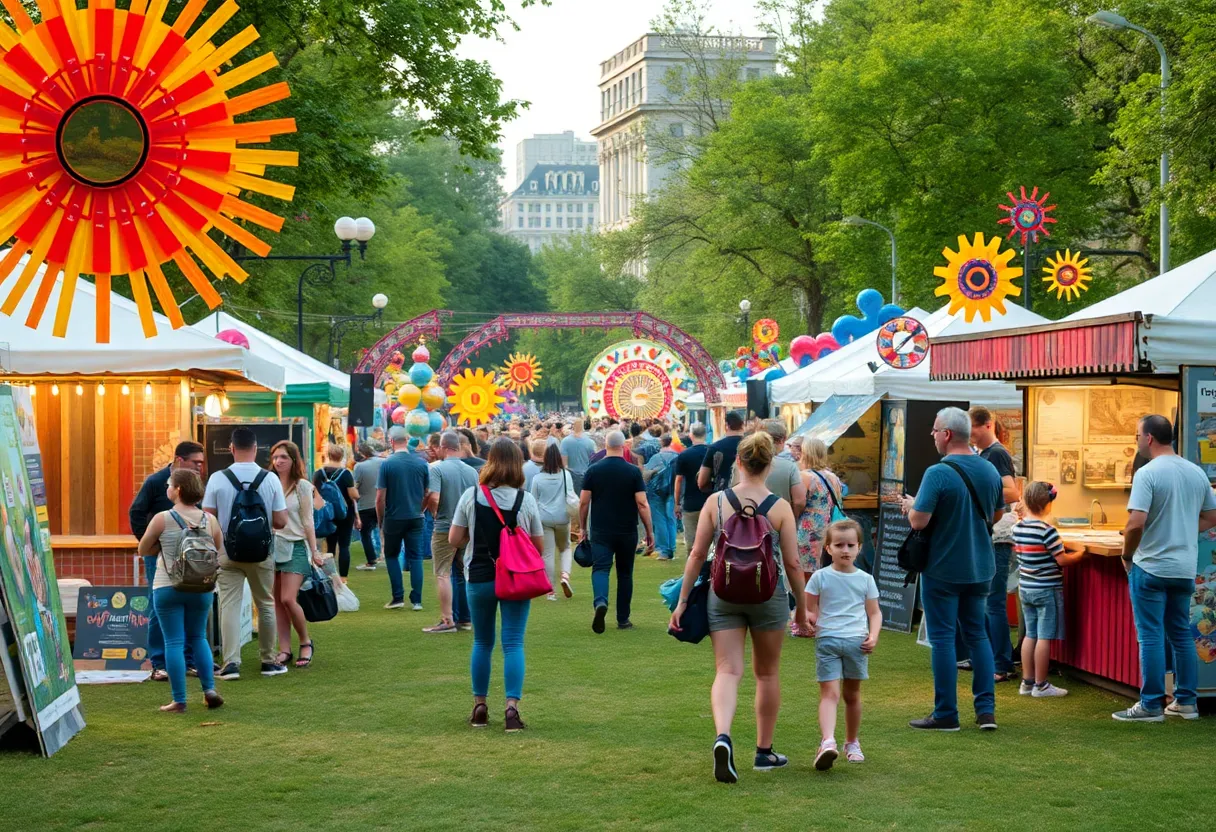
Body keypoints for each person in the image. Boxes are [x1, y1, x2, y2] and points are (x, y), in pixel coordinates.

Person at [669, 432, 808, 783]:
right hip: (768, 595)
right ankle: (764, 751)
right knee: (767, 673)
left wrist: (683, 600)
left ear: (738, 462)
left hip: (723, 592)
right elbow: (792, 563)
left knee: (728, 671)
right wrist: (803, 610)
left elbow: (697, 554)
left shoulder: (715, 502)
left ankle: (723, 736)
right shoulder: (779, 507)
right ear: (770, 463)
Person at [900, 407, 1003, 731]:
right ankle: (986, 712)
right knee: (978, 636)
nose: (932, 436)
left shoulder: (938, 473)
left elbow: (919, 520)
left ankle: (946, 713)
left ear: (946, 434)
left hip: (943, 567)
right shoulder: (988, 469)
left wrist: (910, 506)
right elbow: (997, 515)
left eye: (934, 431)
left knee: (943, 639)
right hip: (981, 566)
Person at [1114, 414, 1216, 722]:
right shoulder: (1195, 472)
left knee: (1150, 635)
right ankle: (1186, 701)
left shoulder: (1147, 473)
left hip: (1151, 565)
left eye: (1136, 436)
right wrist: (1183, 530)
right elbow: (1212, 517)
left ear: (1148, 438)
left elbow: (1136, 522)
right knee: (1180, 634)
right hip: (1183, 567)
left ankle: (1151, 703)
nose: (1136, 441)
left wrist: (1127, 554)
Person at [449, 438, 545, 731]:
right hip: (515, 577)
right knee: (513, 642)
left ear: (489, 461)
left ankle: (480, 706)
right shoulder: (524, 499)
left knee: (482, 641)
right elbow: (538, 545)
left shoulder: (471, 495)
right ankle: (511, 709)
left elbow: (454, 539)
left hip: (479, 575)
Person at [202, 427, 289, 680]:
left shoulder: (218, 478)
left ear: (231, 448)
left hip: (227, 551)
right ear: (256, 448)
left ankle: (231, 664)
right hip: (262, 552)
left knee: (229, 604)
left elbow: (208, 517)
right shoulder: (270, 479)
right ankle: (268, 660)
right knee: (266, 603)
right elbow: (281, 521)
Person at [137, 468, 224, 712]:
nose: (167, 488)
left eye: (169, 485)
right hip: (202, 587)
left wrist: (163, 549)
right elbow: (219, 550)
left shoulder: (162, 518)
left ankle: (179, 700)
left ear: (178, 490)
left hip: (168, 586)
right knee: (198, 638)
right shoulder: (210, 520)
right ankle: (209, 690)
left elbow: (143, 549)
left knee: (173, 641)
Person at [805, 520, 881, 769]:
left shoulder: (866, 579)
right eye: (839, 545)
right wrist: (809, 619)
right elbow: (810, 609)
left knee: (852, 695)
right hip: (827, 641)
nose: (845, 550)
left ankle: (852, 742)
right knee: (830, 693)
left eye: (850, 545)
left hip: (857, 643)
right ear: (828, 548)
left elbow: (874, 613)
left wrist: (874, 635)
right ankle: (828, 741)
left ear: (859, 547)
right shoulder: (819, 577)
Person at [129, 440, 205, 682]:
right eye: (196, 462)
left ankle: (190, 661)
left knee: (191, 605)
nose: (200, 468)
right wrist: (150, 545)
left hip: (191, 558)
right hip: (160, 559)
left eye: (202, 463)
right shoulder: (155, 482)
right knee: (158, 607)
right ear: (179, 460)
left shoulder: (196, 484)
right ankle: (159, 664)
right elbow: (136, 512)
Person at [1012, 481, 1085, 698]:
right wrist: (1080, 554)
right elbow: (1062, 560)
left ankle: (1027, 682)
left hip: (1026, 587)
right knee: (1044, 636)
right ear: (1048, 505)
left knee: (1030, 635)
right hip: (1046, 589)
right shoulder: (1048, 531)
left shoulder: (1018, 528)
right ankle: (1041, 685)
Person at [580, 430, 654, 633]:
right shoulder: (632, 471)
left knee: (601, 568)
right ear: (624, 446)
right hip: (627, 530)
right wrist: (649, 531)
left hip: (601, 530)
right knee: (625, 574)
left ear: (605, 444)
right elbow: (642, 503)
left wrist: (582, 528)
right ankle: (623, 618)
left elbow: (584, 502)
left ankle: (600, 601)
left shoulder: (594, 470)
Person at [969, 406, 1020, 682]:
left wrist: (980, 485)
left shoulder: (997, 453)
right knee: (988, 601)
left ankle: (1002, 664)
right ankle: (991, 658)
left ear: (987, 425)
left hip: (999, 535)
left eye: (973, 429)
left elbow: (1012, 491)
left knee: (994, 602)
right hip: (991, 533)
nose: (970, 435)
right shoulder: (985, 454)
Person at [269, 441, 324, 668]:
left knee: (288, 598)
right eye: (275, 457)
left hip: (296, 546)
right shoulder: (269, 483)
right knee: (277, 602)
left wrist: (314, 551)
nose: (278, 461)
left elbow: (308, 521)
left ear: (294, 460)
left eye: (283, 457)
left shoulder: (303, 486)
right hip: (272, 547)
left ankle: (305, 641)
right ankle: (284, 648)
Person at [424, 431, 479, 633]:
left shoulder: (437, 469)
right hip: (468, 528)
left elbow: (434, 496)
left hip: (446, 527)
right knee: (464, 572)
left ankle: (447, 620)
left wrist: (436, 513)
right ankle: (465, 618)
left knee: (442, 574)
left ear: (443, 447)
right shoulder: (471, 472)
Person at [377, 426, 430, 611]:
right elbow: (428, 492)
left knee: (392, 556)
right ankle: (417, 600)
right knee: (416, 557)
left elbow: (380, 497)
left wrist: (380, 519)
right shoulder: (421, 463)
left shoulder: (387, 463)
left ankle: (397, 597)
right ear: (406, 441)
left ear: (392, 442)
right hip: (415, 516)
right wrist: (420, 509)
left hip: (394, 516)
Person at [530, 443, 574, 599]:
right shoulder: (565, 475)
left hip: (544, 518)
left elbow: (533, 501)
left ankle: (550, 591)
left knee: (547, 554)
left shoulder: (537, 478)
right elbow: (570, 495)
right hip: (563, 516)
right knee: (565, 548)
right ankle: (565, 576)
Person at [797, 438, 843, 582]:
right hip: (829, 529)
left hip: (809, 531)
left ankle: (807, 603)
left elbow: (799, 503)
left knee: (807, 575)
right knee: (824, 571)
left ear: (805, 453)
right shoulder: (833, 477)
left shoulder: (805, 476)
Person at [313, 444, 359, 580]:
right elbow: (353, 495)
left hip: (327, 513)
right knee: (344, 545)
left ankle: (331, 576)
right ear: (342, 456)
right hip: (345, 513)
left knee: (330, 545)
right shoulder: (346, 474)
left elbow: (313, 492)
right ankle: (344, 578)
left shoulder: (319, 473)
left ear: (328, 455)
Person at [674, 423, 710, 557]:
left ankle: (694, 570)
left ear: (691, 435)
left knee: (691, 541)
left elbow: (678, 480)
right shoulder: (712, 451)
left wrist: (677, 503)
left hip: (690, 503)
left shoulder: (684, 455)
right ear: (705, 435)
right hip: (709, 501)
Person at [643, 434, 680, 560]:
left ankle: (664, 550)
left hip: (656, 492)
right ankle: (672, 547)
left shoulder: (655, 458)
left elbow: (645, 475)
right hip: (673, 490)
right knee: (671, 519)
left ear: (661, 443)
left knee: (660, 520)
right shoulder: (677, 456)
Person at [352, 443, 384, 570]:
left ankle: (371, 560)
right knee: (385, 531)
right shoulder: (383, 462)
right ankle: (388, 556)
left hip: (365, 505)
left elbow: (355, 487)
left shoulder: (359, 467)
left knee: (365, 533)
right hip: (383, 503)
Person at [698, 411, 745, 494]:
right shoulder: (752, 446)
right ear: (742, 425)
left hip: (722, 495)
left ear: (726, 425)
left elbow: (701, 482)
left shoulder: (715, 447)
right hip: (748, 497)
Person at [560, 419, 596, 494]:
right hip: (586, 475)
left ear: (573, 427)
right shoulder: (590, 442)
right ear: (583, 427)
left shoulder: (565, 441)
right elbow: (593, 461)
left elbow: (564, 463)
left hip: (571, 475)